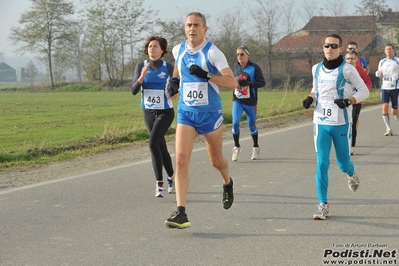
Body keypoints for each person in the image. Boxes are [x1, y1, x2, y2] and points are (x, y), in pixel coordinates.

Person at [164, 12, 237, 229]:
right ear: (184, 28)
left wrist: (207, 75)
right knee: (180, 160)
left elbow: (232, 83)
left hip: (210, 114)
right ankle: (181, 212)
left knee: (215, 161)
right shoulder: (178, 50)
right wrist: (174, 82)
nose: (192, 28)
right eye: (189, 25)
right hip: (186, 112)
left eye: (197, 25)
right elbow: (177, 69)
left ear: (205, 29)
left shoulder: (213, 53)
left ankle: (227, 183)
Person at [302, 34, 369, 220]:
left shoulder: (347, 70)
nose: (329, 49)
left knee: (342, 164)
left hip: (341, 122)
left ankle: (351, 172)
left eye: (334, 46)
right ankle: (323, 205)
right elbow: (316, 89)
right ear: (322, 48)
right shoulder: (316, 68)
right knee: (321, 164)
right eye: (326, 45)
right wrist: (311, 98)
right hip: (320, 122)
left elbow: (365, 90)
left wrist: (349, 100)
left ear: (340, 48)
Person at [131, 36, 175, 198]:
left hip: (165, 111)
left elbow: (177, 84)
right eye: (150, 46)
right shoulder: (141, 66)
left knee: (152, 143)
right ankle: (171, 176)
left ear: (162, 50)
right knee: (160, 146)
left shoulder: (168, 67)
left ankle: (160, 183)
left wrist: (174, 91)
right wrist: (141, 78)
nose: (152, 49)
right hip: (148, 112)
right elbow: (133, 90)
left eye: (155, 46)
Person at [231, 45, 266, 161]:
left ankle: (255, 147)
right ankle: (236, 147)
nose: (239, 57)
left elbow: (262, 83)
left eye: (242, 54)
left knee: (252, 126)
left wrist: (250, 83)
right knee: (235, 123)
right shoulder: (235, 66)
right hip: (238, 100)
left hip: (250, 102)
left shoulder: (254, 68)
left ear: (247, 55)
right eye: (237, 54)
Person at [345, 50, 372, 155]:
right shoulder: (341, 70)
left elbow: (368, 83)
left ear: (356, 60)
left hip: (357, 100)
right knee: (345, 123)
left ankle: (352, 146)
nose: (350, 61)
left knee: (353, 122)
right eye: (348, 58)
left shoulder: (360, 71)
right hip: (345, 101)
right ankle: (344, 144)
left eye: (352, 58)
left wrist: (364, 91)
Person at [375, 44, 399, 136]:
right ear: (385, 51)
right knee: (384, 107)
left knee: (394, 111)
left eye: (390, 49)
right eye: (387, 49)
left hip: (395, 87)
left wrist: (397, 76)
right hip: (385, 87)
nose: (388, 51)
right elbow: (380, 74)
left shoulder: (397, 61)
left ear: (393, 50)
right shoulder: (382, 62)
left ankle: (396, 113)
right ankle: (388, 128)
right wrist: (378, 74)